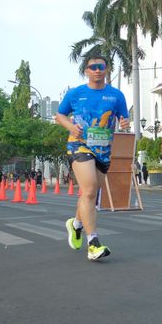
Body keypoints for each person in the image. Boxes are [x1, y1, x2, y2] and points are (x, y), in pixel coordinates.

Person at [56, 53, 129, 261]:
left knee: (90, 193)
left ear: (107, 70)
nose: (97, 70)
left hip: (103, 151)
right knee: (88, 191)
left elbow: (124, 118)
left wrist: (125, 123)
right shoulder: (75, 93)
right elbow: (60, 115)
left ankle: (76, 224)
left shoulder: (116, 95)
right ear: (86, 71)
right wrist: (71, 126)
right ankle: (93, 244)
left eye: (101, 67)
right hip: (79, 146)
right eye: (93, 67)